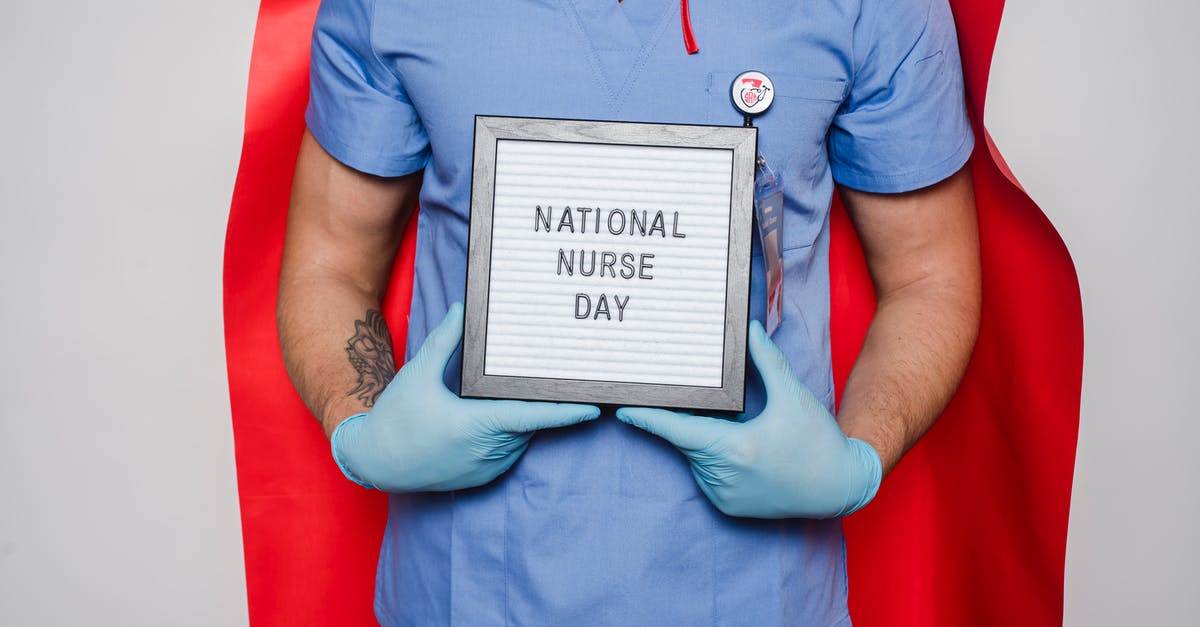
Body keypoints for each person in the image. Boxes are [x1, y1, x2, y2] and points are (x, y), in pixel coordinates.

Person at [277, 0, 980, 624]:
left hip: (757, 593)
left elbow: (930, 275)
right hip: (465, 589)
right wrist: (360, 426)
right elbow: (330, 262)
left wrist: (855, 457)